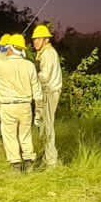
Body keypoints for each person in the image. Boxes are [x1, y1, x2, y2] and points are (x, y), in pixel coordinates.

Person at [0, 35, 43, 173]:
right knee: (25, 135)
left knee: (10, 136)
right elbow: (37, 90)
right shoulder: (29, 65)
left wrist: (1, 53)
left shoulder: (1, 64)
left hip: (8, 106)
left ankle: (16, 165)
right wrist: (39, 109)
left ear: (9, 48)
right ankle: (29, 163)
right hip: (25, 106)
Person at [31, 23, 62, 168]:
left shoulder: (48, 54)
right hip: (47, 92)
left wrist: (29, 75)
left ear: (46, 40)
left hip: (49, 92)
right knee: (43, 126)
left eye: (39, 39)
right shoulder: (45, 53)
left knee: (47, 126)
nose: (35, 42)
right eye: (34, 39)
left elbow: (44, 76)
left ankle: (51, 162)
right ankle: (46, 158)